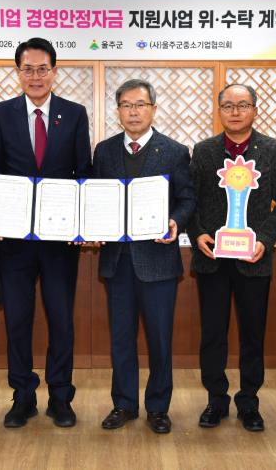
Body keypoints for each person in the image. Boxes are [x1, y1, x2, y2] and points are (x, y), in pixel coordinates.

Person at [0, 37, 92, 428]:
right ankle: (23, 396)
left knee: (61, 320)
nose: (35, 76)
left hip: (60, 240)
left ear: (54, 71)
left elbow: (84, 173)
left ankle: (61, 397)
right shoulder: (0, 114)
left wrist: (82, 224)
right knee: (17, 319)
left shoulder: (74, 114)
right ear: (18, 72)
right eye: (27, 69)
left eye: (42, 69)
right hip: (14, 241)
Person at [188, 84, 276, 431]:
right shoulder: (204, 151)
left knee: (252, 334)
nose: (235, 112)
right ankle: (216, 400)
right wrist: (198, 233)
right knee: (213, 334)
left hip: (254, 259)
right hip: (212, 259)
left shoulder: (274, 151)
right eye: (228, 106)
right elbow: (190, 200)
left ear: (255, 110)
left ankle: (249, 402)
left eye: (243, 105)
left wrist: (264, 239)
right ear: (219, 110)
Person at [93, 79, 195, 434]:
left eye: (140, 105)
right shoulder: (104, 151)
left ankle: (158, 407)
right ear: (118, 111)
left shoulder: (174, 151)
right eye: (126, 105)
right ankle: (123, 403)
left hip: (158, 260)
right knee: (121, 338)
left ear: (153, 109)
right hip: (117, 261)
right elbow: (96, 198)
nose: (133, 112)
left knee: (159, 339)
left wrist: (175, 221)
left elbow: (187, 198)